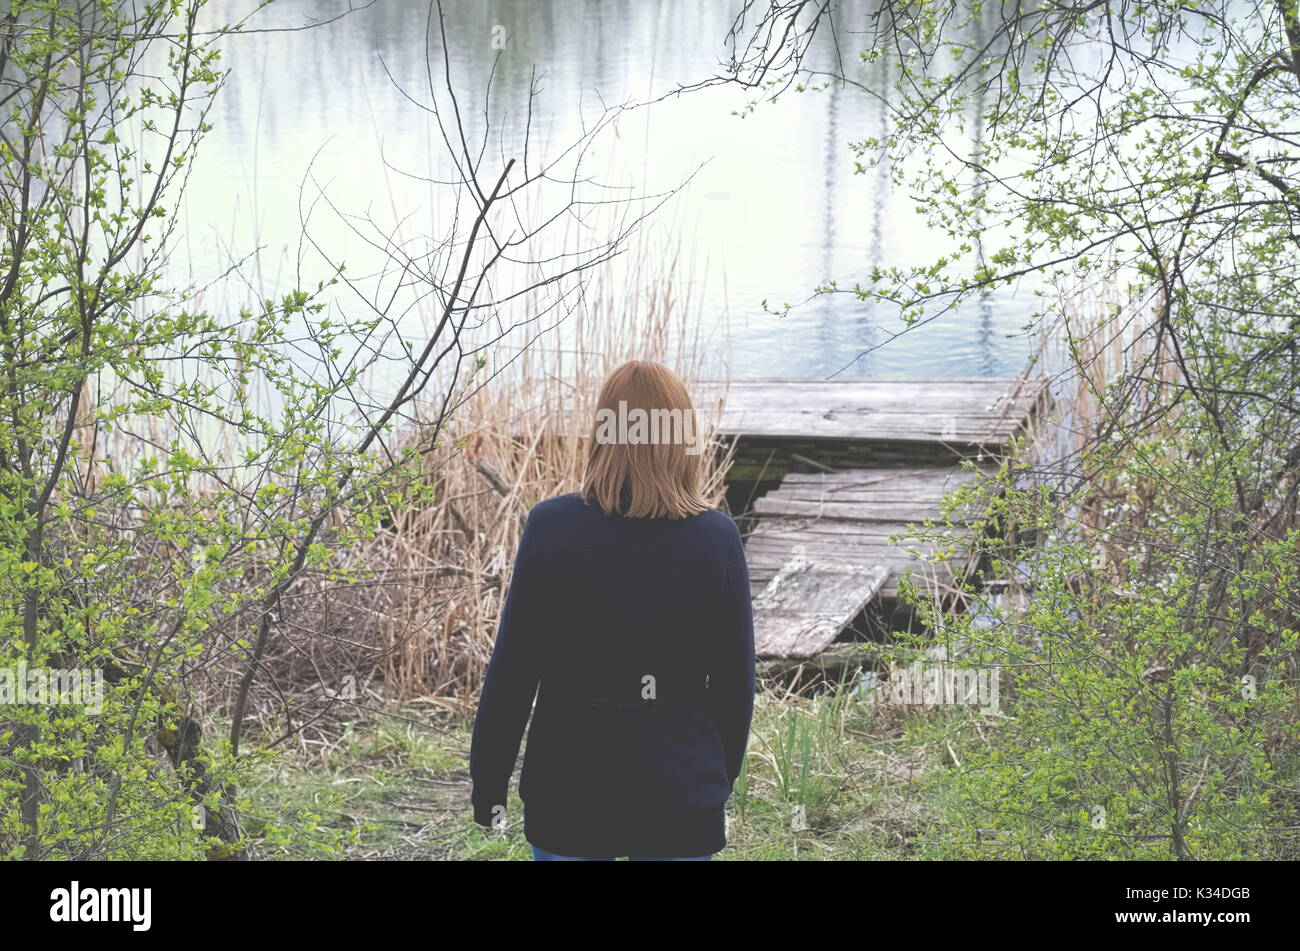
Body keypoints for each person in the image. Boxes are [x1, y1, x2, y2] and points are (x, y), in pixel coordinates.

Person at [469, 360, 755, 861]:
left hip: (569, 796)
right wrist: (716, 779)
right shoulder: (716, 537)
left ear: (604, 430)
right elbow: (735, 684)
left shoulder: (551, 527)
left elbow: (513, 671)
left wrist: (488, 781)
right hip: (681, 797)